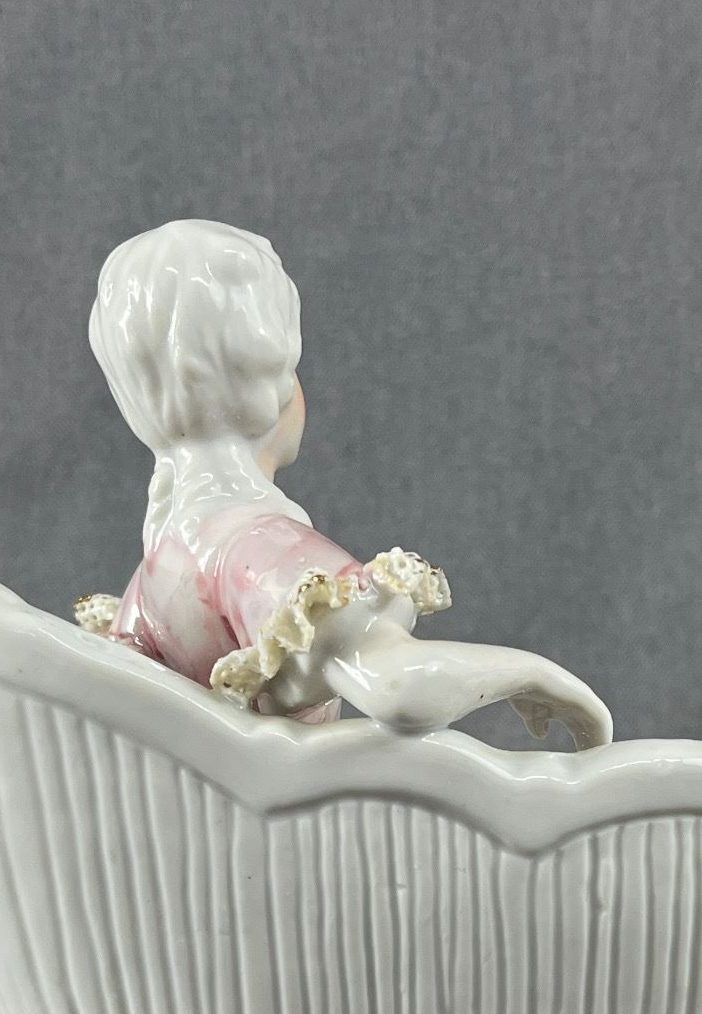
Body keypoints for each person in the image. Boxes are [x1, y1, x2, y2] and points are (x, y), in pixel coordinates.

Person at [78, 219, 610, 748]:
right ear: (268, 379)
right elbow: (396, 686)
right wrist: (534, 674)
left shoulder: (157, 572)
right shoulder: (259, 548)